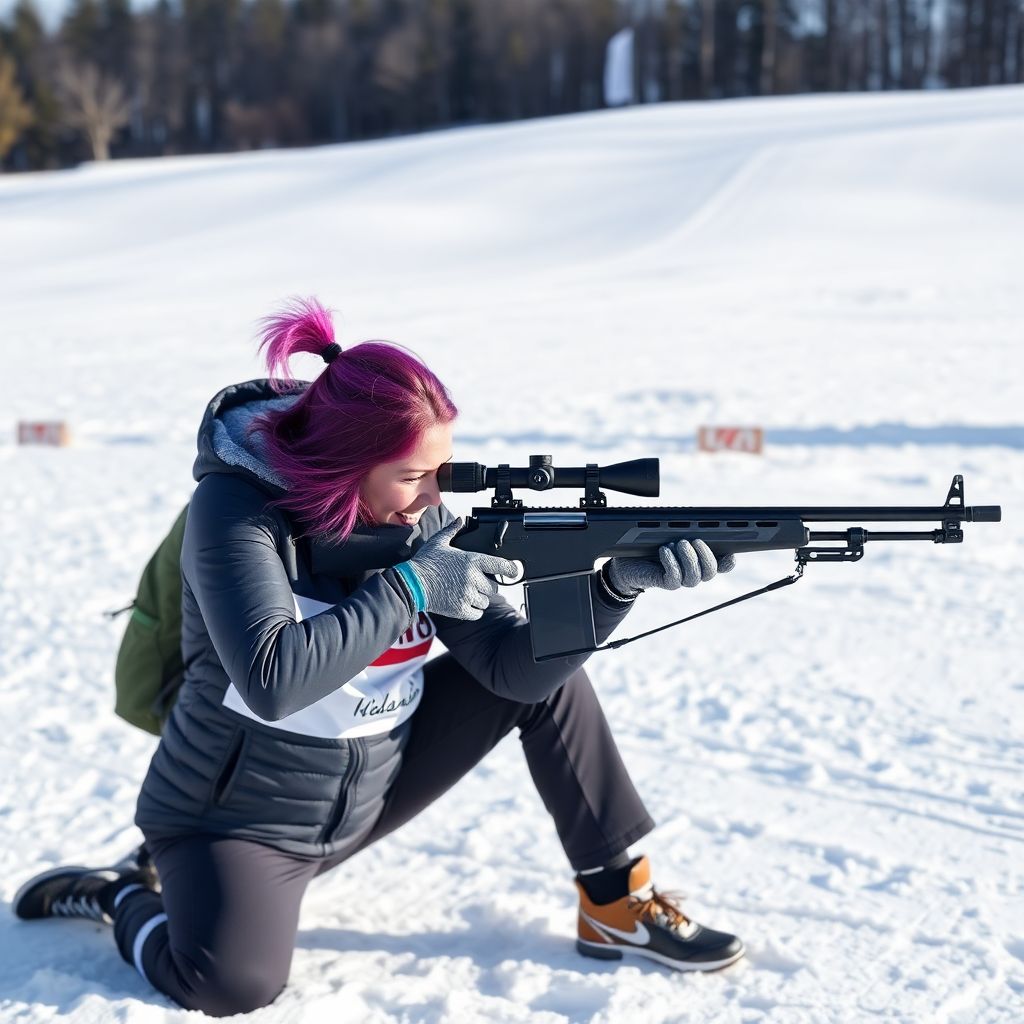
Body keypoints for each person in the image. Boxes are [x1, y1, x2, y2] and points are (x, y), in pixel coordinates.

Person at [13, 298, 745, 1015]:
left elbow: (510, 670)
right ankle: (118, 894)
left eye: (444, 472)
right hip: (233, 821)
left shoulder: (423, 516)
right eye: (411, 477)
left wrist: (614, 588)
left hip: (368, 796)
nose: (433, 497)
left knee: (555, 679)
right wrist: (413, 583)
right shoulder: (234, 515)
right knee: (228, 985)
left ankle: (615, 899)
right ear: (342, 466)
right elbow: (273, 679)